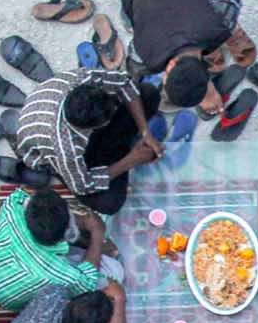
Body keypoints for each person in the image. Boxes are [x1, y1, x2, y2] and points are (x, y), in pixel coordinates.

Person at [13, 66, 160, 215]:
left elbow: (125, 84)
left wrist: (145, 131)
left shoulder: (87, 79)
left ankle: (119, 150)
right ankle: (119, 152)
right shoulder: (65, 148)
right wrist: (130, 161)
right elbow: (83, 185)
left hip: (50, 108)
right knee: (109, 203)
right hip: (58, 151)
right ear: (92, 128)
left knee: (149, 94)